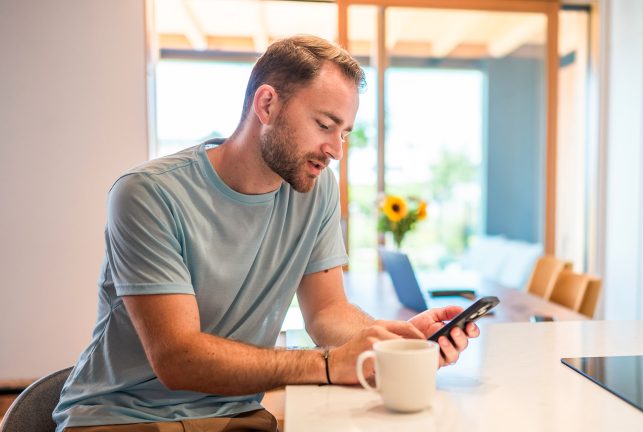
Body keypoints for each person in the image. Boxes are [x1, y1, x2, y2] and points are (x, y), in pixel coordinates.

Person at [53, 35, 479, 432]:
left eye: (344, 133)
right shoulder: (149, 194)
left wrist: (398, 342)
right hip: (123, 416)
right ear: (267, 104)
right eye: (325, 125)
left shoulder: (315, 188)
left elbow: (327, 312)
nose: (336, 150)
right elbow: (177, 360)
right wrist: (328, 364)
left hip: (236, 414)